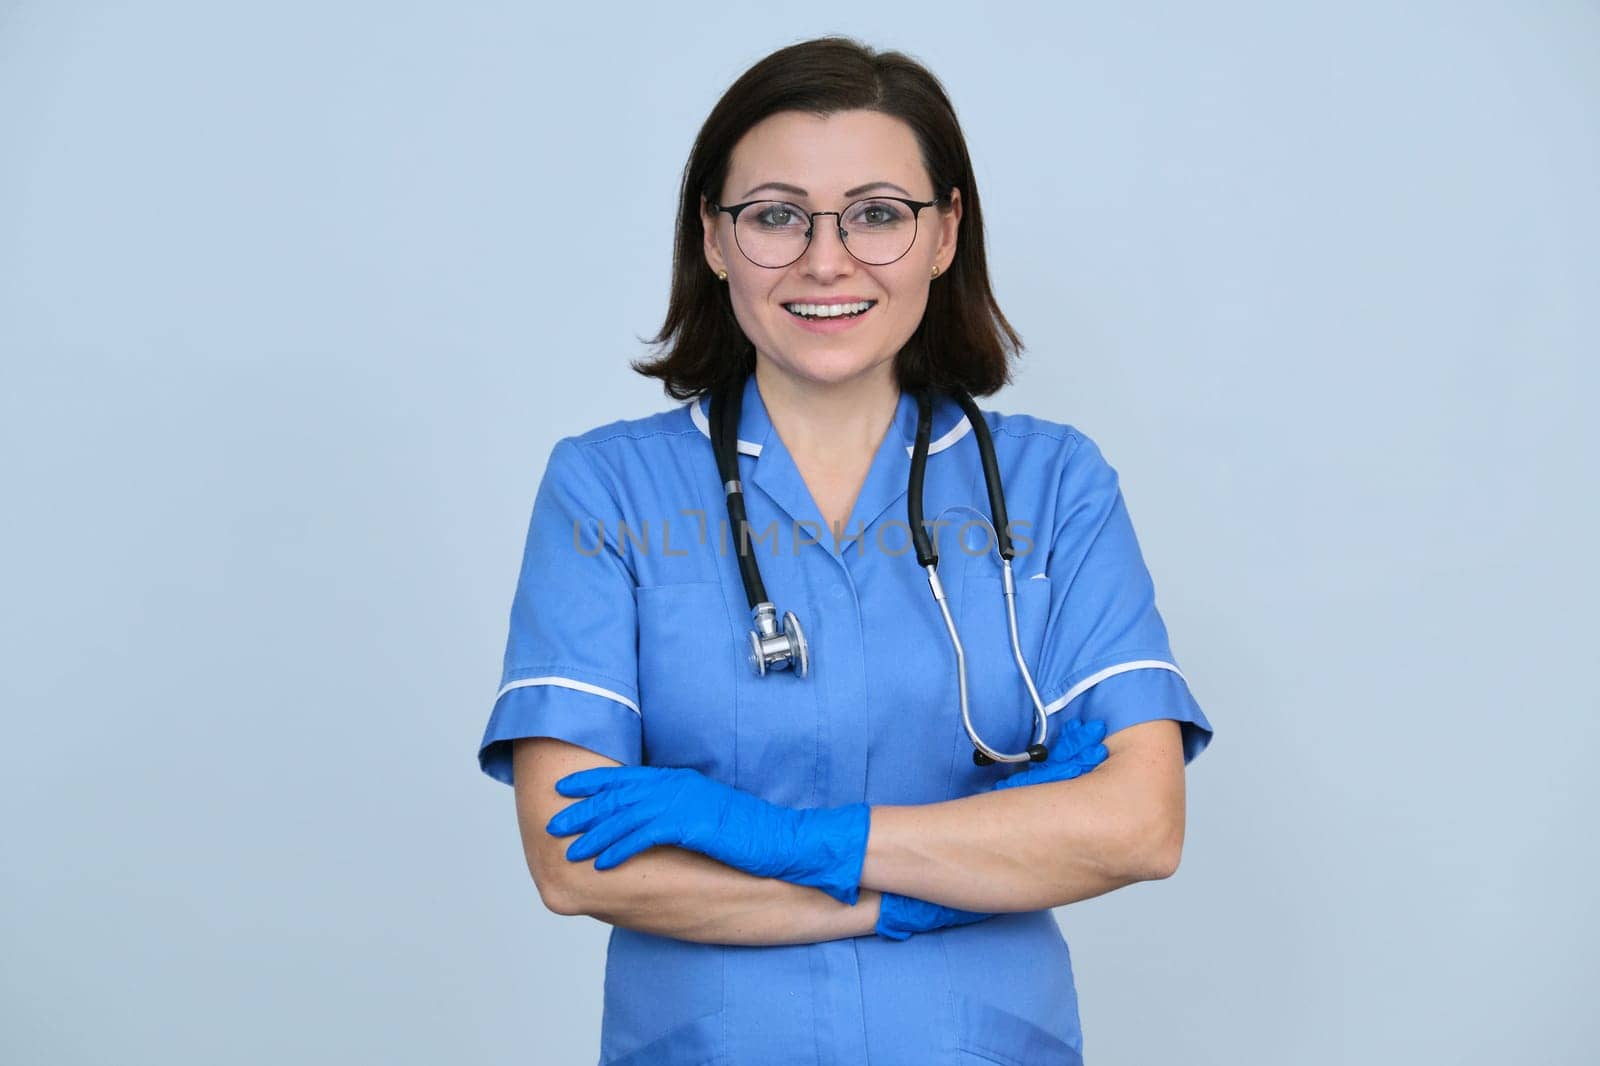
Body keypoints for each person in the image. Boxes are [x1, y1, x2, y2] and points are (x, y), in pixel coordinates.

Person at [476, 35, 1215, 1066]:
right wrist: (909, 893)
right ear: (716, 237)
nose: (827, 261)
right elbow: (577, 863)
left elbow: (1138, 824)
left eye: (877, 214)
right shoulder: (606, 490)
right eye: (776, 215)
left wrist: (786, 841)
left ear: (945, 232)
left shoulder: (1054, 487)